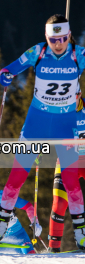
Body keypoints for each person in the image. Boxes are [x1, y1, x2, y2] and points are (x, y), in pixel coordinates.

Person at [0, 14, 85, 247]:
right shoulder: (37, 52)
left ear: (69, 35)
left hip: (64, 126)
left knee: (71, 181)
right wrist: (5, 76)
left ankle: (81, 232)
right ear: (46, 38)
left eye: (62, 38)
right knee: (17, 176)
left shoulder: (79, 55)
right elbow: (9, 69)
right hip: (36, 123)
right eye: (53, 39)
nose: (58, 44)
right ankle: (0, 227)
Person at [48, 95, 85, 252]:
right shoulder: (57, 112)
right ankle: (53, 248)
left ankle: (82, 239)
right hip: (66, 162)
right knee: (59, 203)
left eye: (73, 98)